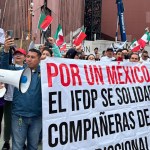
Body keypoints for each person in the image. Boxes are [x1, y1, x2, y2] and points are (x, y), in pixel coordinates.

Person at [1, 45, 42, 149]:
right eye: (28, 56)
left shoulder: (44, 73)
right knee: (17, 146)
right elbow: (4, 68)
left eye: (32, 57)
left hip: (36, 116)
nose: (29, 59)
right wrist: (5, 51)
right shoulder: (17, 70)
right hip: (19, 115)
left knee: (33, 146)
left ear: (39, 59)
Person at [2, 47, 27, 150]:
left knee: (21, 123)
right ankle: (7, 142)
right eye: (16, 54)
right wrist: (6, 51)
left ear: (25, 57)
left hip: (22, 101)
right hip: (9, 99)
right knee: (8, 123)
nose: (17, 55)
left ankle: (21, 141)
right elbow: (3, 65)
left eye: (20, 54)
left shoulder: (28, 70)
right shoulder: (9, 68)